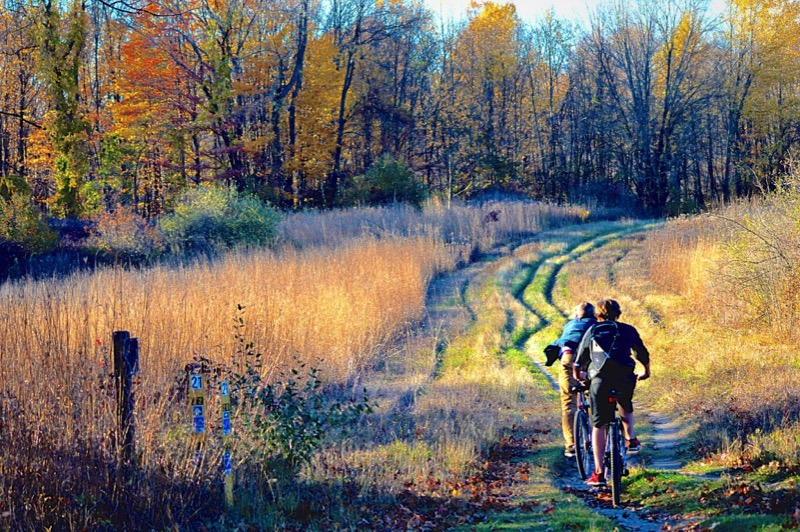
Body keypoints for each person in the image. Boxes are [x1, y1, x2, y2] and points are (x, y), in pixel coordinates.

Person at [573, 298, 650, 486]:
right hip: (624, 377)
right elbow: (641, 352)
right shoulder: (628, 329)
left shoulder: (593, 330)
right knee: (625, 403)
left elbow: (580, 358)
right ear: (618, 313)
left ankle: (599, 473)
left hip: (600, 380)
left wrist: (578, 375)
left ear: (597, 315)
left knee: (599, 425)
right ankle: (630, 438)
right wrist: (646, 371)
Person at [552, 302, 596, 458]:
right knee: (596, 395)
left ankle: (570, 445)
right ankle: (597, 439)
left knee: (568, 401)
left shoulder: (570, 324)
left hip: (568, 357)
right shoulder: (597, 324)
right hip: (589, 358)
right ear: (594, 314)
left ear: (577, 315)